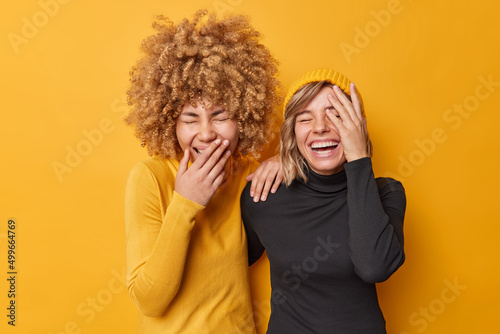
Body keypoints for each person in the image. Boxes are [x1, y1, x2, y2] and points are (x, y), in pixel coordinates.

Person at [123, 10, 281, 333]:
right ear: (169, 122)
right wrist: (185, 202)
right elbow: (149, 300)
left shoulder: (249, 175)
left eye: (220, 115)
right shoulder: (149, 177)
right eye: (190, 118)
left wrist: (285, 160)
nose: (206, 133)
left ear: (244, 116)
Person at [241, 68, 406, 333]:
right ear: (292, 133)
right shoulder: (265, 194)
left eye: (336, 115)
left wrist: (359, 159)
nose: (320, 127)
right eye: (305, 119)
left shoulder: (386, 193)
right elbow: (229, 262)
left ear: (357, 126)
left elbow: (374, 267)